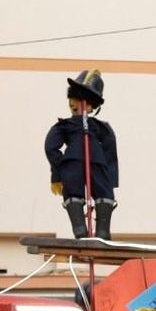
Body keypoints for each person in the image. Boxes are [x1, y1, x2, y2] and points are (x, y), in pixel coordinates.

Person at [45, 70, 119, 240]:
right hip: (77, 161)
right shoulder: (64, 126)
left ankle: (102, 230)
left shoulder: (100, 127)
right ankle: (80, 228)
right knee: (74, 191)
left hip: (93, 162)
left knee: (103, 192)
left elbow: (110, 150)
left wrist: (111, 178)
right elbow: (51, 147)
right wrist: (58, 171)